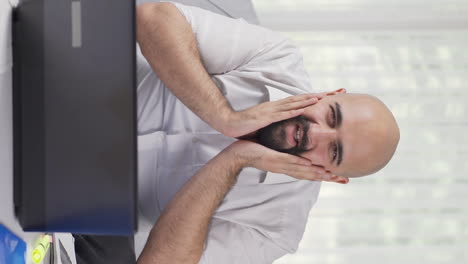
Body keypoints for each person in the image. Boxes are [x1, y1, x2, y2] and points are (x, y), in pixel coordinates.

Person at [133, 2, 400, 264]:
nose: (315, 133)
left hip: (99, 199)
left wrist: (232, 161)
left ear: (333, 177)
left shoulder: (278, 230)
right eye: (332, 116)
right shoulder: (277, 57)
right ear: (330, 95)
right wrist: (224, 117)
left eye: (334, 150)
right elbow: (153, 16)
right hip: (100, 88)